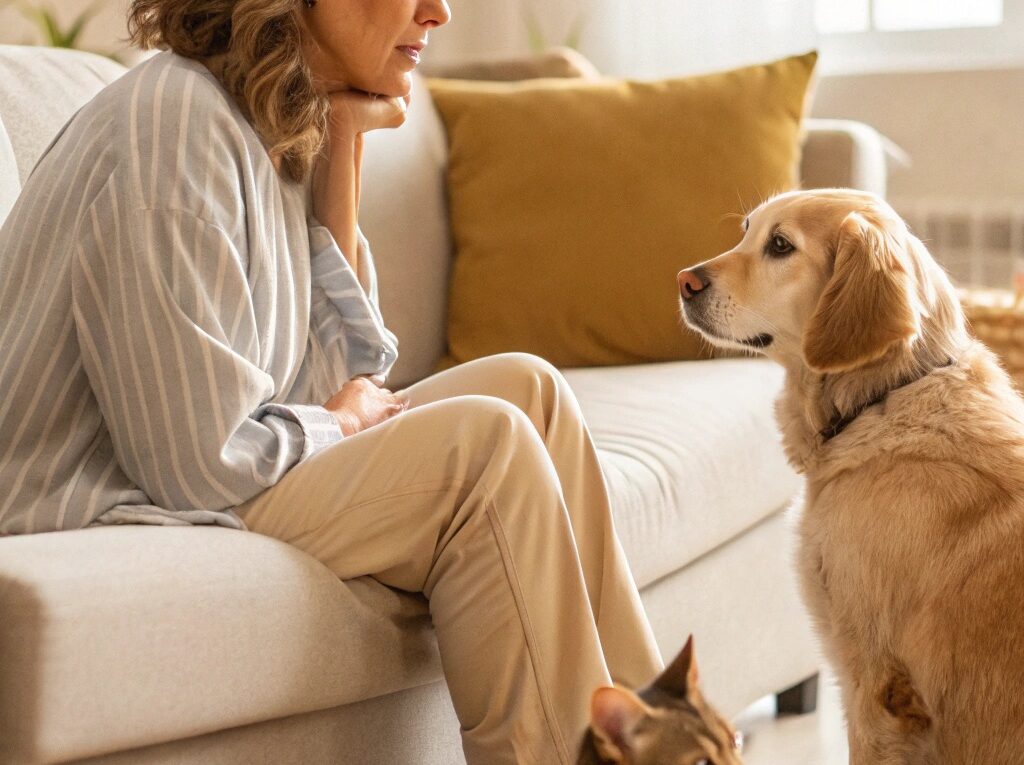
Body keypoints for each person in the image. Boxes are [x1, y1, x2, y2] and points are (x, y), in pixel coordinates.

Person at [0, 1, 662, 761]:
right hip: (91, 505)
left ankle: (666, 739)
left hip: (204, 469)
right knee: (486, 446)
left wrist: (340, 149)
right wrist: (340, 423)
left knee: (529, 393)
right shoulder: (176, 123)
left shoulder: (267, 120)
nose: (438, 12)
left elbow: (338, 376)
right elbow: (198, 459)